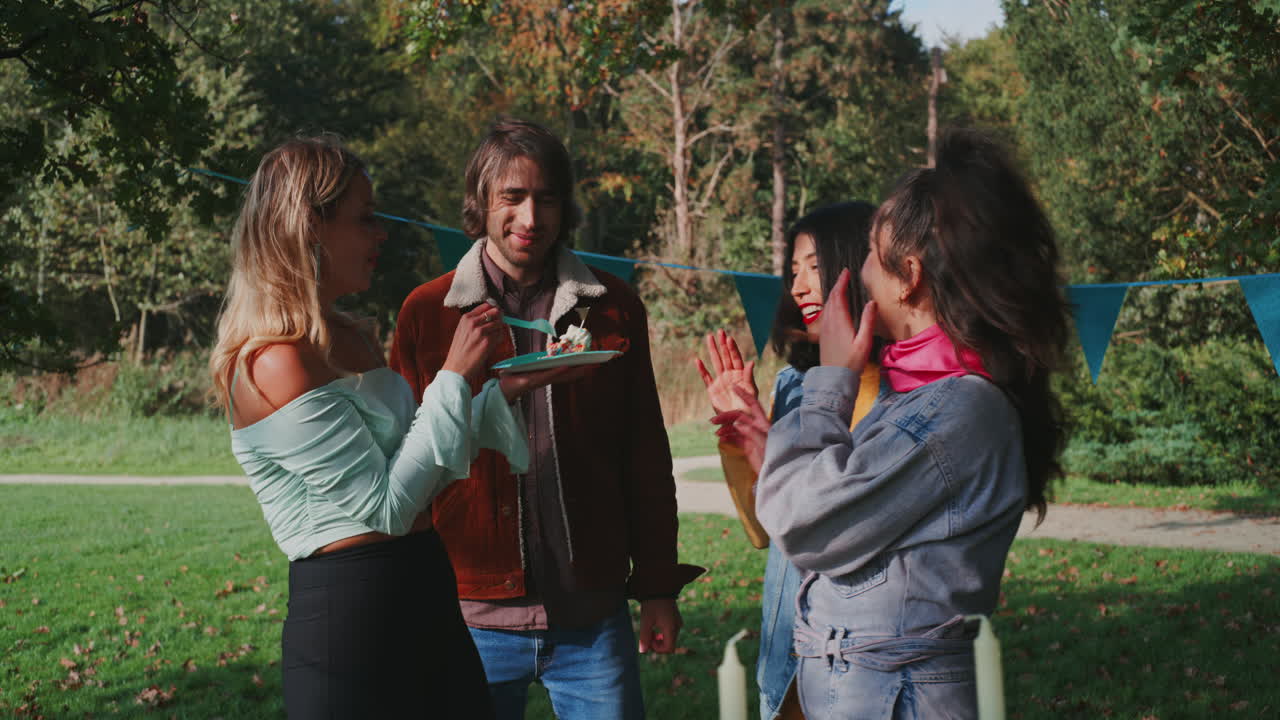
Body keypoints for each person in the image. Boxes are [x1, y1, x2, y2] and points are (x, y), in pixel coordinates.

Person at [210, 136, 568, 718]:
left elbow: (411, 460)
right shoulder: (274, 361)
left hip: (426, 584)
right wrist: (452, 376)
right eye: (365, 219)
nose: (381, 235)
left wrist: (499, 392)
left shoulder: (348, 334)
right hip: (349, 615)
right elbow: (385, 506)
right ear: (309, 229)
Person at [736, 129, 1071, 719]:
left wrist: (830, 383)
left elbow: (797, 522)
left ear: (909, 276)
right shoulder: (921, 398)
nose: (860, 271)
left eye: (869, 253)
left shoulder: (959, 410)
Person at [388, 118, 703, 720]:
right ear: (480, 204)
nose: (531, 218)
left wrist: (658, 585)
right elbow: (406, 463)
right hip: (466, 619)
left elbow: (644, 455)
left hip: (593, 623)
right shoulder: (427, 313)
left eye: (547, 198)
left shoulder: (613, 308)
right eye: (512, 197)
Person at [696, 202, 879, 720]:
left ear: (861, 268)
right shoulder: (793, 387)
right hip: (791, 660)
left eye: (815, 268)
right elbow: (763, 531)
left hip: (868, 658)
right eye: (793, 271)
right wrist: (739, 434)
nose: (798, 287)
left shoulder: (904, 394)